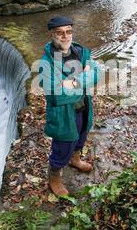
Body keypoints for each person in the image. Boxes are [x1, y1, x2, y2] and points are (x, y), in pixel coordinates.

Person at [38, 16, 101, 196]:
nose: (65, 36)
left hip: (84, 106)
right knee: (63, 144)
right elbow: (57, 96)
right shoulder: (46, 63)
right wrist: (85, 79)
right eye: (59, 33)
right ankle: (54, 176)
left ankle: (75, 159)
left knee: (82, 134)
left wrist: (73, 82)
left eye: (68, 31)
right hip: (63, 113)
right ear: (52, 34)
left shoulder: (81, 51)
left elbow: (98, 73)